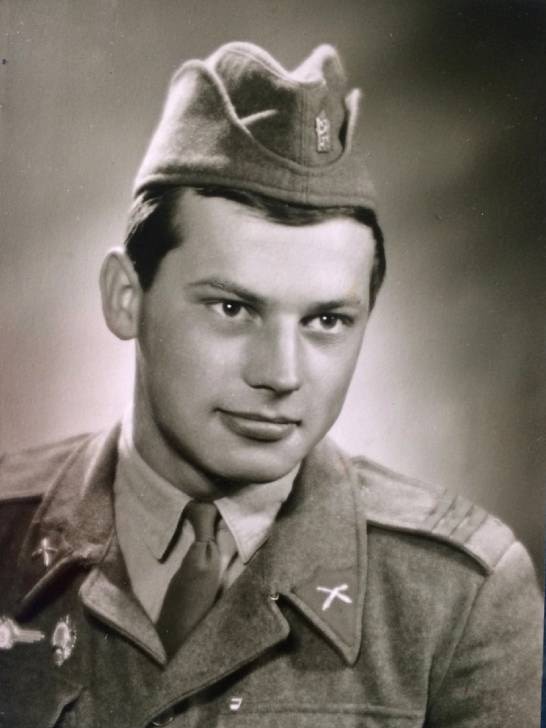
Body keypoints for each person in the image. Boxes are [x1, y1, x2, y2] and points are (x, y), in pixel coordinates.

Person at [0, 41, 542, 728]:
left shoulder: (458, 597)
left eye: (326, 320)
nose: (282, 375)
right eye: (233, 308)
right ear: (125, 297)